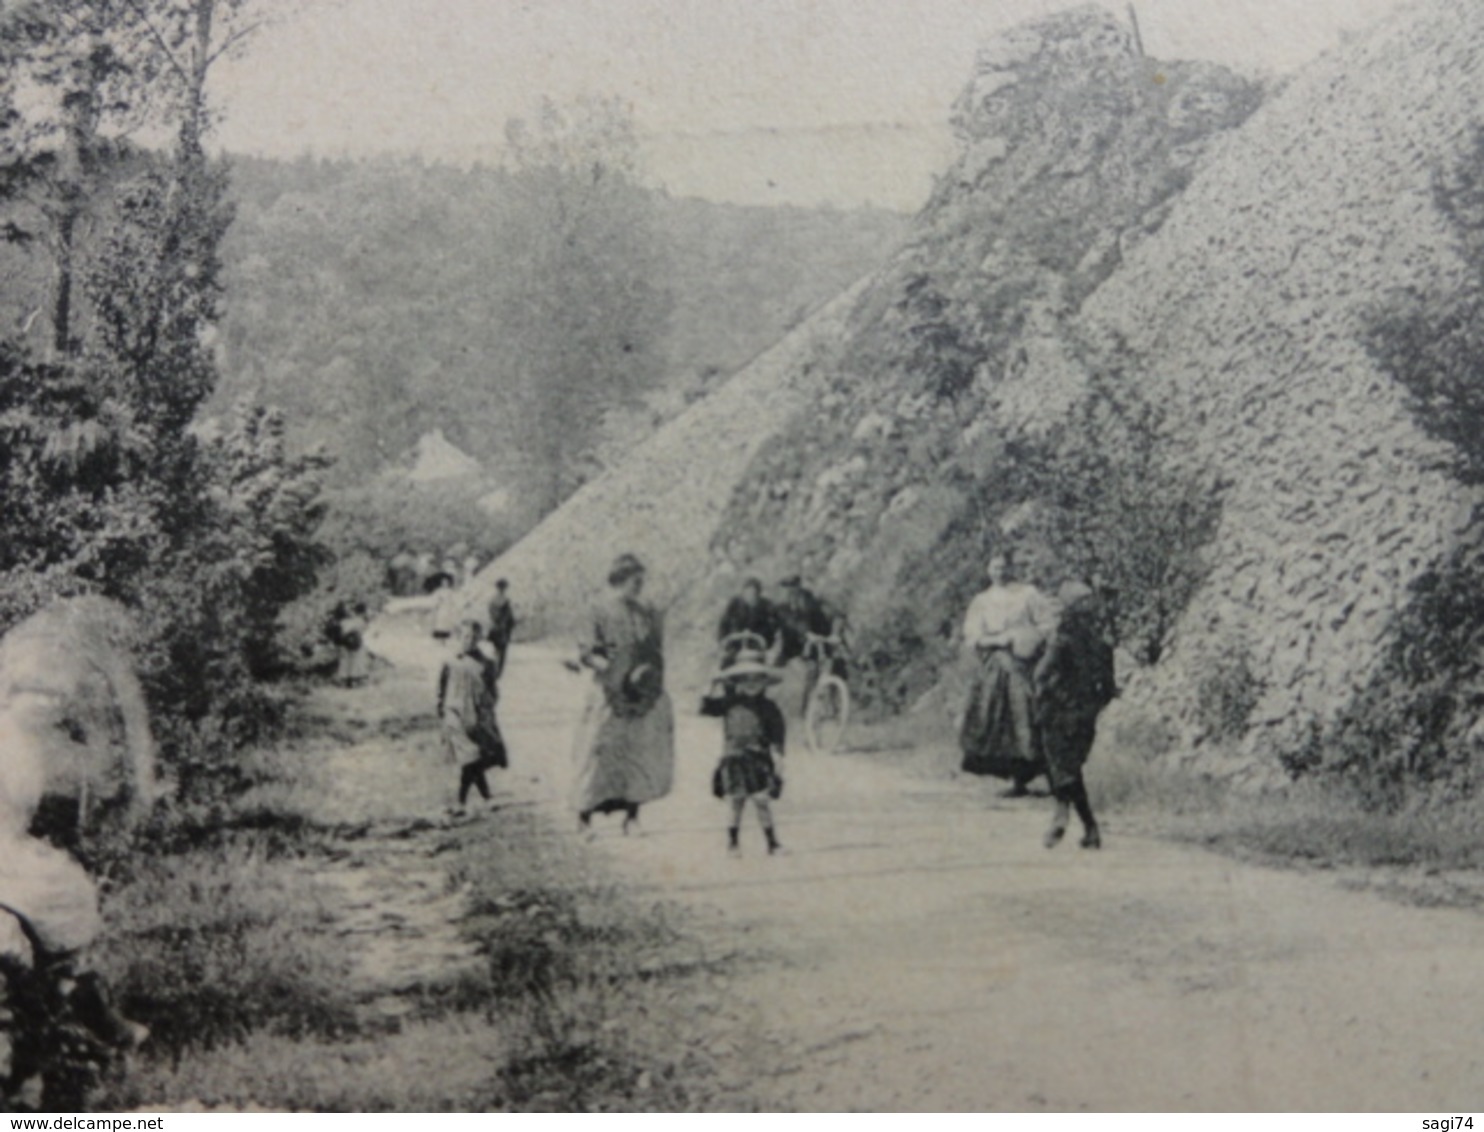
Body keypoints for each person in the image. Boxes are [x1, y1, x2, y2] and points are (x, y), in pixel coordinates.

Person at [570, 554, 675, 836]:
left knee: (636, 754)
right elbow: (586, 651)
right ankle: (584, 818)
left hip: (639, 693)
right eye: (635, 581)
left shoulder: (646, 612)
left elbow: (654, 651)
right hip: (608, 692)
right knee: (598, 751)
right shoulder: (598, 609)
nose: (640, 586)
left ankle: (631, 818)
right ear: (620, 579)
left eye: (641, 581)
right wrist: (608, 666)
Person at [958, 548, 1055, 796]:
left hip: (1026, 661)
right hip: (997, 665)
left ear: (1011, 568)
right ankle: (1015, 781)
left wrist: (1028, 638)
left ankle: (1046, 773)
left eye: (1003, 567)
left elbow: (1047, 623)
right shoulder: (982, 601)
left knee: (1028, 712)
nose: (999, 573)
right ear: (988, 570)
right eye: (994, 568)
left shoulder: (1027, 594)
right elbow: (972, 635)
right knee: (998, 718)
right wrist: (997, 641)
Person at [1034, 581, 1116, 849]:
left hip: (1057, 715)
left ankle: (1061, 814)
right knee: (1071, 770)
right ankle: (1090, 829)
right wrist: (1089, 708)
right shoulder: (1103, 645)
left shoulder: (1060, 641)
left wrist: (1053, 698)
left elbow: (1041, 675)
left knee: (1061, 770)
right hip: (1085, 717)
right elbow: (1109, 689)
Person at [702, 651, 786, 856]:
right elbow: (705, 708)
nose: (751, 684)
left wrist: (777, 755)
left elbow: (778, 733)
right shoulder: (729, 703)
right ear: (736, 681)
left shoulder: (769, 708)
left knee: (762, 801)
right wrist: (711, 684)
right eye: (745, 679)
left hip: (759, 759)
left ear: (765, 682)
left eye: (757, 679)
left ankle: (772, 843)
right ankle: (733, 843)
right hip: (734, 758)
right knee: (736, 802)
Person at [437, 620, 507, 812]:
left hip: (476, 717)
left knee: (478, 757)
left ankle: (462, 802)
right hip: (455, 715)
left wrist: (487, 710)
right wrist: (442, 710)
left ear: (479, 639)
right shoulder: (450, 662)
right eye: (466, 636)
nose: (470, 641)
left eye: (474, 637)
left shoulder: (486, 663)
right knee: (471, 756)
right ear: (459, 638)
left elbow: (493, 691)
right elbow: (441, 689)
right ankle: (482, 798)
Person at [775, 575, 848, 715]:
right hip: (793, 649)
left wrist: (836, 633)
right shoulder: (781, 608)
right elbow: (792, 622)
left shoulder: (810, 600)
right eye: (787, 587)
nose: (790, 590)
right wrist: (807, 633)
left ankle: (836, 705)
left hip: (816, 645)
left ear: (799, 586)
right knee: (809, 673)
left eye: (794, 586)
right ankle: (804, 710)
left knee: (837, 665)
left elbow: (836, 614)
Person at [716, 577, 779, 665]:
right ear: (743, 593)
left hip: (757, 643)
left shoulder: (766, 606)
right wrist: (723, 640)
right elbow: (724, 624)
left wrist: (765, 641)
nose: (750, 597)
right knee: (726, 660)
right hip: (735, 643)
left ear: (758, 595)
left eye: (754, 594)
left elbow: (773, 628)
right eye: (748, 593)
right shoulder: (734, 604)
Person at [486, 578, 517, 676]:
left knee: (496, 649)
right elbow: (509, 615)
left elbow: (491, 613)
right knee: (502, 650)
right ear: (504, 588)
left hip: (495, 627)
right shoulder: (506, 600)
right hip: (503, 628)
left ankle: (495, 668)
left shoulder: (492, 600)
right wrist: (512, 623)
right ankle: (498, 671)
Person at [336, 601, 371, 687]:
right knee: (357, 660)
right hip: (356, 642)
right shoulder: (360, 621)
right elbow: (363, 629)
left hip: (345, 642)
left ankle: (346, 680)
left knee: (345, 661)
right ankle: (356, 679)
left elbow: (342, 632)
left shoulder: (342, 622)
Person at [430, 572, 459, 641]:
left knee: (446, 622)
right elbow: (435, 599)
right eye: (443, 583)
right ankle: (439, 637)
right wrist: (437, 604)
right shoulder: (439, 591)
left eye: (446, 583)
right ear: (441, 583)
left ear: (448, 583)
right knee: (440, 621)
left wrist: (452, 606)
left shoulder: (450, 591)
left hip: (448, 608)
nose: (445, 584)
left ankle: (445, 637)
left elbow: (453, 600)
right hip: (441, 608)